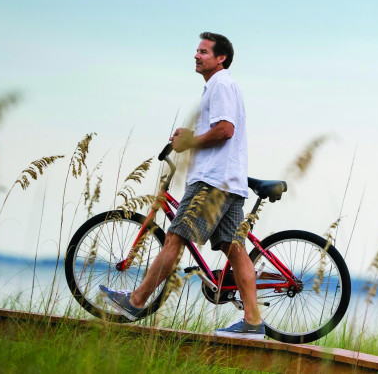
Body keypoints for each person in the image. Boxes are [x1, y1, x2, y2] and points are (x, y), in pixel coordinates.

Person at [99, 32, 265, 339]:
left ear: (220, 58)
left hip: (212, 182)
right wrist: (195, 134)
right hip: (227, 181)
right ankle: (253, 323)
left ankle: (136, 302)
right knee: (235, 248)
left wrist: (189, 142)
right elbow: (218, 129)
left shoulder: (221, 84)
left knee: (175, 238)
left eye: (203, 51)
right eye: (197, 51)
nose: (196, 56)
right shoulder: (219, 87)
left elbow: (226, 130)